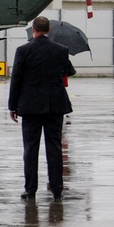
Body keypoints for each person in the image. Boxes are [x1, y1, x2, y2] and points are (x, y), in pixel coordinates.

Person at [8, 16, 76, 201]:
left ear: (33, 31)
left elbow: (16, 79)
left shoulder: (23, 50)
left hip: (30, 106)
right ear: (49, 31)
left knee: (30, 148)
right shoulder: (61, 50)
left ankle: (30, 190)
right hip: (55, 105)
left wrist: (12, 106)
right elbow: (69, 71)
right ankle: (57, 189)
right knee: (54, 147)